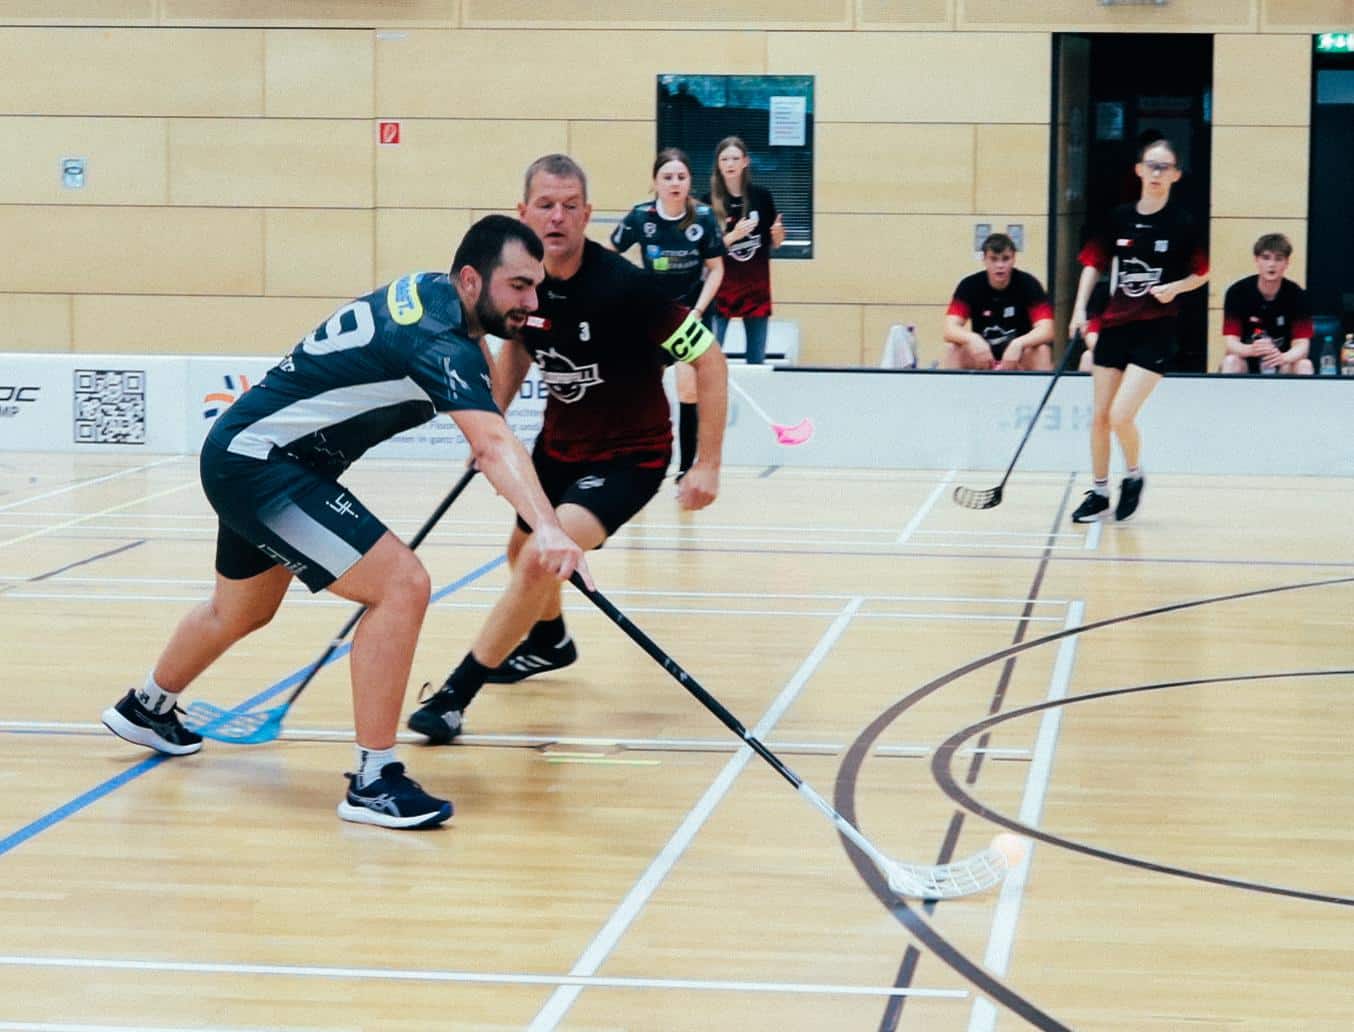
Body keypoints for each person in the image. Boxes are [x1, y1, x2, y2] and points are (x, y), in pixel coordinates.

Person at [100, 215, 589, 830]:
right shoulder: (438, 340)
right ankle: (374, 779)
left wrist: (489, 428)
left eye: (536, 286)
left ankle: (146, 707)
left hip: (244, 452)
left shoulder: (433, 295)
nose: (532, 302)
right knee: (402, 585)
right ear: (471, 279)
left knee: (241, 610)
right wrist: (547, 526)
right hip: (265, 467)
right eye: (518, 286)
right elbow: (491, 442)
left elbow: (484, 410)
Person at [408, 154, 728, 745]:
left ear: (587, 214)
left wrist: (706, 463)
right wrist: (491, 423)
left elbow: (709, 360)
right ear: (523, 212)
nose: (557, 217)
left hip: (630, 457)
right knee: (519, 551)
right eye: (545, 205)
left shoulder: (629, 290)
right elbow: (517, 349)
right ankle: (551, 640)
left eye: (570, 206)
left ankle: (454, 696)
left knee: (539, 558)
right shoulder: (523, 286)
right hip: (557, 449)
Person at [1068, 137, 1209, 523]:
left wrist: (1175, 288)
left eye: (1165, 167)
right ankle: (1099, 492)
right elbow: (1093, 264)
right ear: (1139, 170)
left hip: (1156, 330)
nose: (1157, 173)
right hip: (1115, 324)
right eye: (1151, 165)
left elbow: (1202, 273)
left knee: (1120, 415)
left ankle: (1133, 475)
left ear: (1176, 175)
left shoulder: (1183, 223)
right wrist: (1079, 309)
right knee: (1100, 417)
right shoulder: (1119, 217)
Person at [607, 148, 725, 478]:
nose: (675, 183)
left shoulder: (703, 218)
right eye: (668, 177)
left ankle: (686, 469)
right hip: (653, 313)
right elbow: (608, 255)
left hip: (692, 312)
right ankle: (637, 459)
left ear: (689, 181)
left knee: (688, 388)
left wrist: (698, 311)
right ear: (655, 182)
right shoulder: (639, 217)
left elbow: (716, 269)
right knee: (645, 387)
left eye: (681, 177)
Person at [703, 136, 785, 365]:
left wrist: (778, 235)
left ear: (745, 162)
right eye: (724, 159)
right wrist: (732, 236)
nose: (730, 164)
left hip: (756, 288)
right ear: (718, 164)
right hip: (720, 290)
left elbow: (774, 242)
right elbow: (705, 253)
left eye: (735, 158)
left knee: (756, 362)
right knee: (710, 358)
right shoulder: (708, 202)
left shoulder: (762, 196)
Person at [942, 232, 1054, 371]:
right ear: (984, 259)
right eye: (993, 259)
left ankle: (1044, 386)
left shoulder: (1029, 284)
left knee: (1042, 351)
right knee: (952, 349)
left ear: (1014, 258)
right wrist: (972, 339)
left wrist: (1018, 344)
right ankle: (953, 386)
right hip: (982, 358)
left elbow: (1047, 330)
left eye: (1005, 259)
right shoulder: (969, 286)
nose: (1000, 265)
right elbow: (949, 329)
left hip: (1018, 358)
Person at [1219, 233, 1314, 375]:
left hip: (1282, 362)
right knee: (1230, 361)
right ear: (1256, 260)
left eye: (1279, 259)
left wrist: (1282, 357)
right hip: (1247, 361)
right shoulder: (1237, 292)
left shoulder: (1297, 294)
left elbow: (1302, 345)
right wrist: (1252, 349)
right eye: (1266, 257)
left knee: (1304, 365)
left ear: (1287, 262)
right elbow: (1231, 343)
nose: (1272, 264)